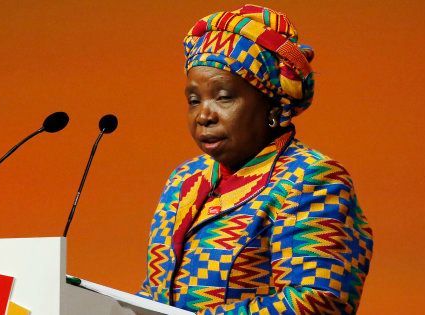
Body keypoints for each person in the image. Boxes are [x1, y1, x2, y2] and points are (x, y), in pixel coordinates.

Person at [137, 5, 373, 315]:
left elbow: (316, 301)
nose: (204, 115)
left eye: (224, 97)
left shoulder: (311, 178)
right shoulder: (184, 179)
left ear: (272, 107)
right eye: (194, 100)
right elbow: (158, 290)